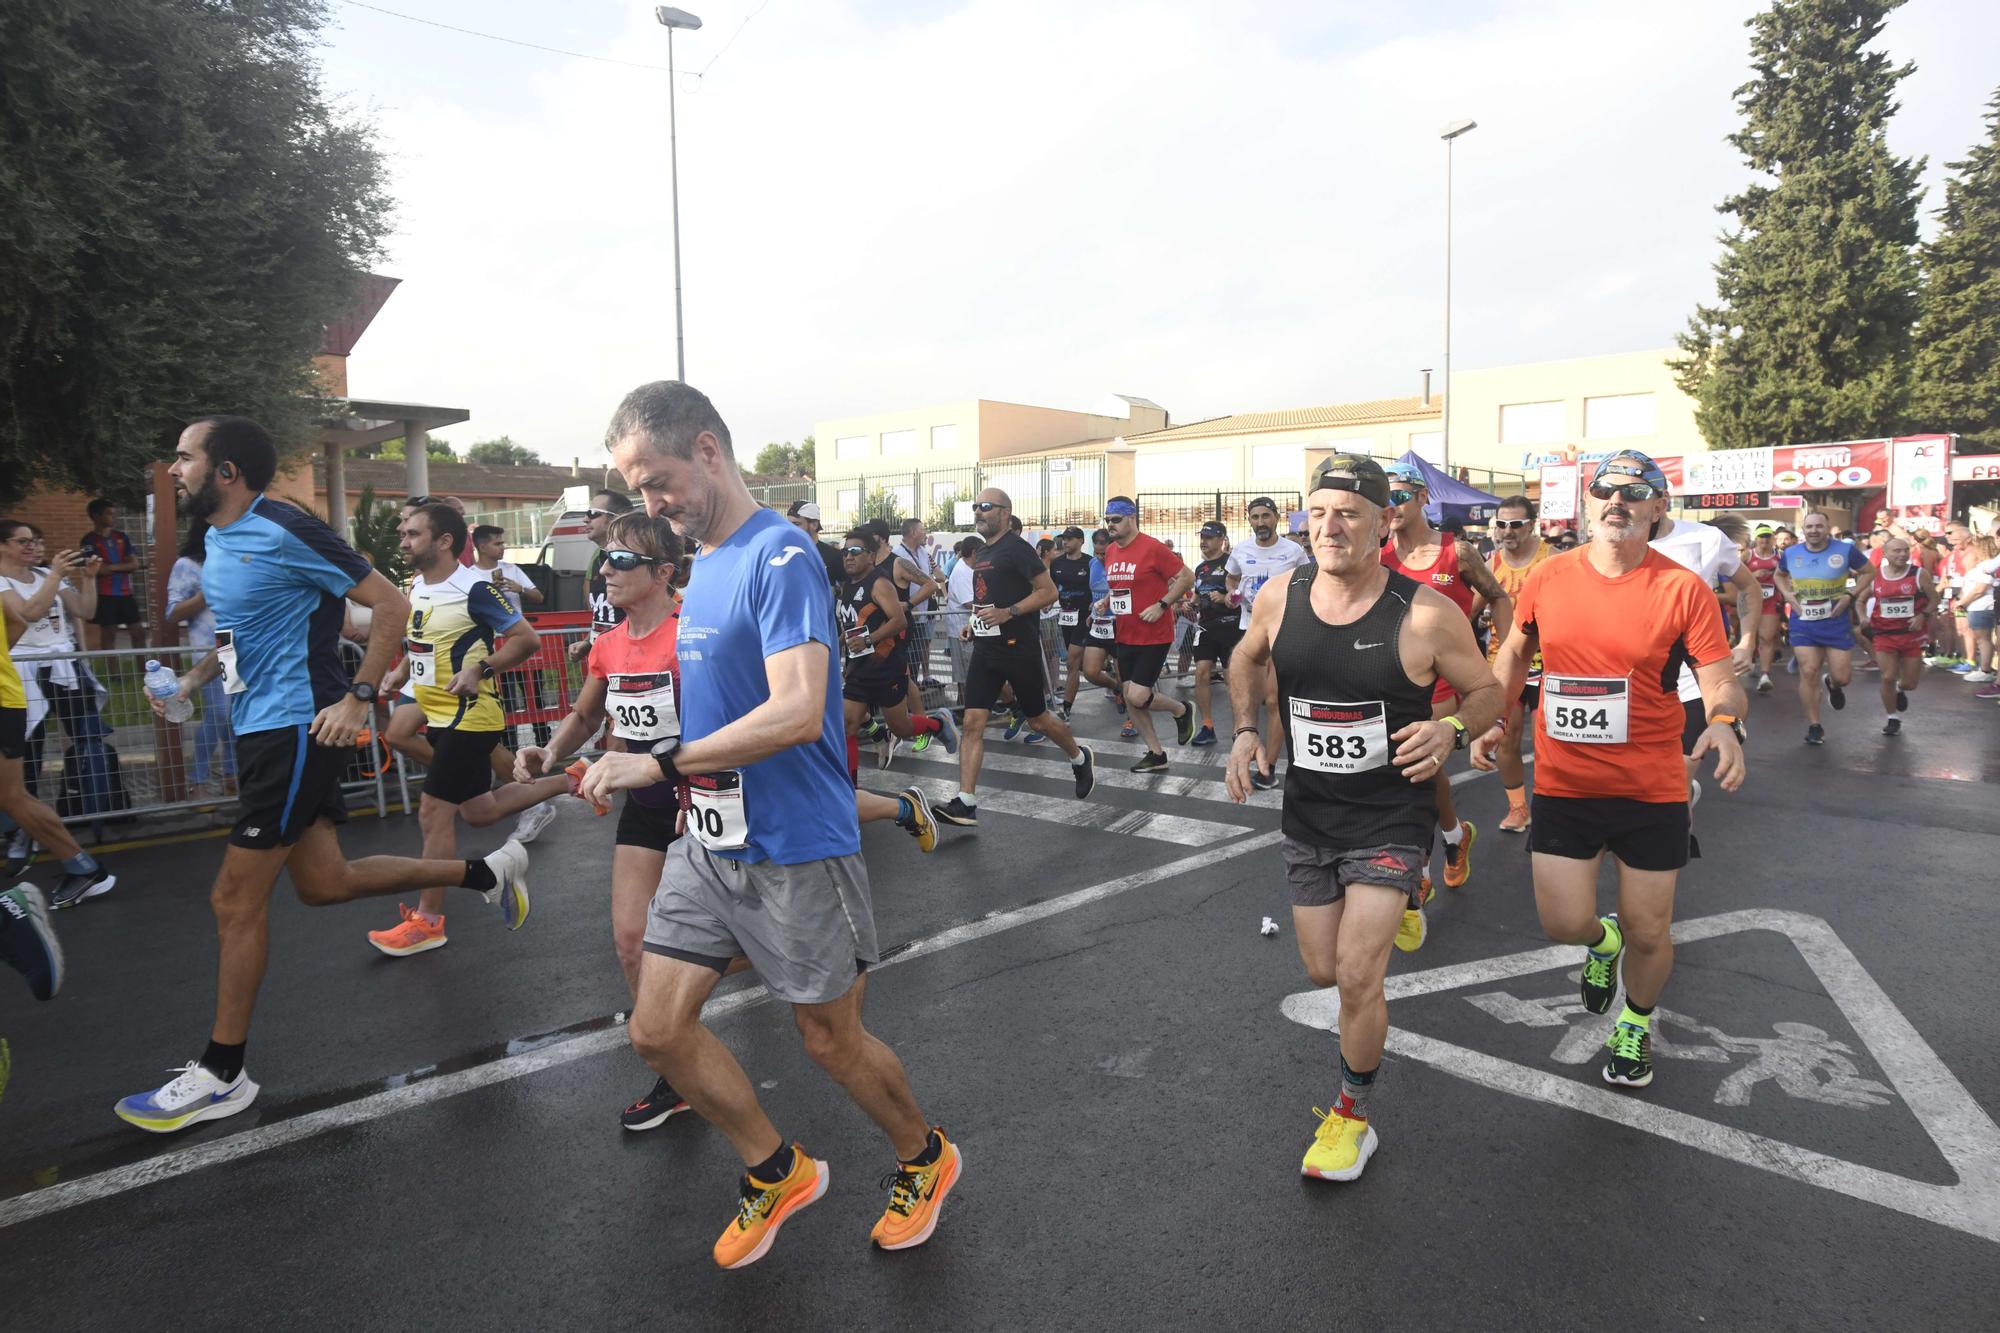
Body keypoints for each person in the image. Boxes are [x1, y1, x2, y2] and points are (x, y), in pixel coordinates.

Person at [583, 380, 960, 1268]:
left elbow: (796, 710)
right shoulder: (703, 564)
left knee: (828, 1039)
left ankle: (926, 1156)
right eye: (636, 489)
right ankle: (776, 1168)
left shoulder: (779, 555)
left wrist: (662, 762)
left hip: (794, 844)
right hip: (707, 839)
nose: (651, 504)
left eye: (658, 479)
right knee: (656, 1027)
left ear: (709, 449)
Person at [120, 417, 531, 1133]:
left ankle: (223, 1071)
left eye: (185, 457)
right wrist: (187, 683)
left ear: (227, 470)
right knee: (323, 883)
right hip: (259, 727)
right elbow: (235, 637)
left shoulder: (285, 524)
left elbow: (390, 604)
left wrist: (359, 694)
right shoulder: (218, 541)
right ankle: (486, 874)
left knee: (233, 897)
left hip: (300, 726)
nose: (173, 467)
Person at [1226, 456, 1501, 1181]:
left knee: (1355, 976)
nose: (1331, 526)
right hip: (1311, 815)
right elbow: (1245, 658)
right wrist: (1246, 730)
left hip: (1390, 816)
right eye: (1318, 512)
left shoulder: (1426, 612)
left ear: (1385, 521)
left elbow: (1487, 692)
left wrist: (1452, 731)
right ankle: (1409, 894)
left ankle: (1351, 1116)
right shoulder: (1283, 594)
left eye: (1348, 511)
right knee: (1322, 968)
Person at [1472, 450, 1747, 1092]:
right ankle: (1601, 944)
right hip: (1566, 785)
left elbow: (1718, 678)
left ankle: (1634, 1023)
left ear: (1657, 510)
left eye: (1636, 492)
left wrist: (1723, 722)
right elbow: (1515, 654)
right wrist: (1493, 715)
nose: (1618, 502)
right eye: (1606, 492)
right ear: (1588, 506)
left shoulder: (1683, 589)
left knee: (1651, 931)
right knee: (1562, 923)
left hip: (1651, 788)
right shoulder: (1548, 578)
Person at [513, 511, 699, 1125]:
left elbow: (728, 724)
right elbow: (590, 716)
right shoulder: (608, 643)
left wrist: (700, 784)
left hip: (704, 802)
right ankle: (675, 1071)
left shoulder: (693, 632)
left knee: (735, 939)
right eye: (604, 559)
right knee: (630, 941)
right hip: (646, 807)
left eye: (621, 560)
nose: (605, 571)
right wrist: (551, 750)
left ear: (663, 572)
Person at [364, 503, 558, 957]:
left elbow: (526, 640)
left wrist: (481, 667)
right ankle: (571, 778)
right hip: (436, 711)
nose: (404, 541)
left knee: (434, 812)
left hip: (469, 715)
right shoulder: (417, 584)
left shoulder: (474, 587)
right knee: (480, 811)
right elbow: (426, 644)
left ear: (444, 541)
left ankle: (429, 922)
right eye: (404, 533)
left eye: (413, 534)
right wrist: (401, 674)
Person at [1378, 461, 1511, 892]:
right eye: (1385, 497)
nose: (1391, 505)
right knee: (1415, 771)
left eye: (1400, 496)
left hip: (1443, 678)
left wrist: (1506, 658)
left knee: (1415, 764)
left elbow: (1498, 598)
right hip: (1393, 676)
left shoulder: (1459, 552)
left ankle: (1419, 873)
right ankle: (1454, 835)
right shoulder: (1377, 557)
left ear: (1421, 498)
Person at [930, 491, 1096, 827]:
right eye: (975, 506)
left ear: (1005, 512)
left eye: (986, 507)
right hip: (986, 651)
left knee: (1037, 720)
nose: (978, 511)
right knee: (974, 722)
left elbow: (1049, 592)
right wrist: (973, 626)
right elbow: (987, 601)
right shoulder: (985, 552)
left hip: (1019, 649)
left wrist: (1010, 612)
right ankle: (966, 802)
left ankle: (1079, 758)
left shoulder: (1017, 549)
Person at [0, 535, 116, 909]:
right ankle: (32, 838)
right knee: (18, 786)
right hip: (21, 678)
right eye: (23, 541)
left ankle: (78, 860)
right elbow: (19, 625)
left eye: (36, 541)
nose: (33, 546)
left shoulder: (45, 576)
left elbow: (77, 611)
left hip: (34, 681)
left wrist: (84, 578)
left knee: (17, 792)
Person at [1648, 505, 1759, 797]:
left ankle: (1681, 821)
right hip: (1638, 688)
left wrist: (1747, 642)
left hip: (1693, 683)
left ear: (1661, 500)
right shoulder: (1611, 542)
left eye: (1639, 492)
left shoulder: (1706, 537)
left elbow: (1748, 588)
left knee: (1675, 782)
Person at [837, 529, 959, 769]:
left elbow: (899, 621)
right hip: (859, 668)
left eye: (855, 551)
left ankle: (938, 724)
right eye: (845, 552)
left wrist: (869, 640)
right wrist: (837, 642)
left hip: (886, 667)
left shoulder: (880, 583)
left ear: (871, 556)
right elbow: (852, 625)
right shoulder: (848, 586)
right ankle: (851, 792)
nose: (848, 557)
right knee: (848, 726)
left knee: (901, 728)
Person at [1100, 496, 1196, 772]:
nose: (1110, 526)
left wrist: (1162, 604)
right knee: (1131, 697)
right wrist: (1106, 601)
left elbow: (1187, 577)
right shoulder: (1111, 552)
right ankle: (1156, 754)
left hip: (1154, 634)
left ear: (1132, 518)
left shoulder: (1152, 548)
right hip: (1125, 633)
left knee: (1139, 696)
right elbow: (1120, 586)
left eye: (1116, 520)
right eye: (1107, 521)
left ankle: (1181, 709)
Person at [1226, 497, 1313, 780]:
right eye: (1255, 517)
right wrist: (1232, 594)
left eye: (1266, 516)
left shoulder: (1293, 550)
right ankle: (1246, 739)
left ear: (1276, 518)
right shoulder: (1240, 550)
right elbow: (1231, 579)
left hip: (1285, 632)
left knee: (1275, 701)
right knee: (1248, 696)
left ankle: (1270, 766)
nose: (1261, 522)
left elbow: (1310, 581)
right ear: (1249, 520)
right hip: (1251, 631)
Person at [1773, 510, 1875, 746]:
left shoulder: (1845, 550)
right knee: (1808, 672)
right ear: (1803, 530)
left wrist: (1850, 595)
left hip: (1835, 618)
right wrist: (1788, 595)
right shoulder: (1791, 553)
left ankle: (1833, 683)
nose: (1814, 531)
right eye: (1809, 527)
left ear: (1827, 528)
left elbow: (1869, 572)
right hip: (1803, 619)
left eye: (1819, 526)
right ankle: (1814, 725)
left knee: (1843, 676)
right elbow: (1779, 575)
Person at [1483, 496, 1553, 833]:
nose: (1507, 532)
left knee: (1550, 742)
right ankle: (1518, 808)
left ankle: (1551, 806)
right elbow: (1467, 610)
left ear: (1531, 525)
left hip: (1549, 665)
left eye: (1515, 525)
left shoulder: (1552, 559)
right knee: (1506, 739)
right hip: (1504, 662)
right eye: (1501, 524)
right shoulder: (1490, 563)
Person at [165, 520, 238, 793]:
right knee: (219, 713)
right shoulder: (187, 565)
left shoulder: (236, 560)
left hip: (240, 644)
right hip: (209, 648)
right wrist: (204, 596)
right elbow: (172, 614)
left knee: (233, 715)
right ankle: (199, 779)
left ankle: (232, 774)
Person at [1866, 535, 1936, 730]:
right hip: (1883, 634)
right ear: (1886, 554)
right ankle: (1892, 717)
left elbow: (1934, 599)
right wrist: (1862, 617)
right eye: (1897, 550)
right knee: (1887, 676)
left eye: (1905, 550)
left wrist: (1923, 615)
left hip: (1911, 635)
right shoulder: (1876, 575)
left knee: (1910, 683)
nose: (1902, 554)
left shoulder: (1918, 574)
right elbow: (1861, 599)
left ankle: (1899, 689)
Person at [1188, 521, 1237, 744]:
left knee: (1231, 679)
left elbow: (1241, 594)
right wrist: (1190, 603)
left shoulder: (1232, 563)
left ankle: (1240, 727)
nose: (1204, 541)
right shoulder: (1200, 568)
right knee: (1201, 673)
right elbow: (1198, 596)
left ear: (1221, 539)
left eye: (1209, 537)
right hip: (1206, 626)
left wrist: (1226, 597)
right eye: (1202, 537)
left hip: (1230, 626)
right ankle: (1207, 726)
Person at [574, 489, 636, 663]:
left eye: (592, 513)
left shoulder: (633, 560)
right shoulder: (598, 559)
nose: (585, 519)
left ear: (614, 518)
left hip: (628, 660)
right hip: (602, 659)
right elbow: (603, 615)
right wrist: (588, 641)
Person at [80, 498, 144, 656]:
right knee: (109, 636)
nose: (113, 517)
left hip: (126, 593)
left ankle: (145, 671)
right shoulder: (89, 540)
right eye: (109, 514)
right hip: (105, 595)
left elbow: (134, 564)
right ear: (96, 516)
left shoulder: (121, 537)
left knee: (138, 633)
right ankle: (114, 676)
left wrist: (111, 567)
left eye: (114, 514)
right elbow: (98, 570)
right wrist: (122, 567)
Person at [1047, 527, 1095, 720]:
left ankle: (1066, 708)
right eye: (1064, 539)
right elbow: (1052, 588)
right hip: (1065, 617)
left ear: (1081, 541)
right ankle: (1115, 686)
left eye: (1070, 539)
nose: (1065, 542)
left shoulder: (1090, 562)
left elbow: (1099, 586)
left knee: (1072, 662)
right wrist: (1048, 603)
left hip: (1085, 617)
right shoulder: (1056, 563)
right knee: (1082, 666)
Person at [1743, 525, 1784, 693]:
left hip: (1770, 601)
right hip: (1751, 601)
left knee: (1767, 638)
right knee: (1749, 636)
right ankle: (1751, 659)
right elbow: (1734, 576)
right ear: (1756, 538)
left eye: (1767, 536)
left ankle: (1765, 675)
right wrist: (1753, 576)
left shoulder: (1779, 556)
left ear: (1772, 538)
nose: (1764, 540)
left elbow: (1786, 576)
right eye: (1761, 537)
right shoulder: (1748, 555)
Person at [1960, 535, 2000, 690]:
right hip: (1979, 606)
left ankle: (1985, 669)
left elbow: (1979, 588)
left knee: (1984, 640)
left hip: (1982, 606)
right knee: (1984, 639)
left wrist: (1962, 603)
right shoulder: (1986, 564)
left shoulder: (1988, 564)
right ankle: (1985, 669)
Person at [787, 499, 843, 588]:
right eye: (788, 524)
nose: (790, 529)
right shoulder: (784, 553)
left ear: (814, 525)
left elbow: (846, 588)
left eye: (796, 524)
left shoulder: (833, 555)